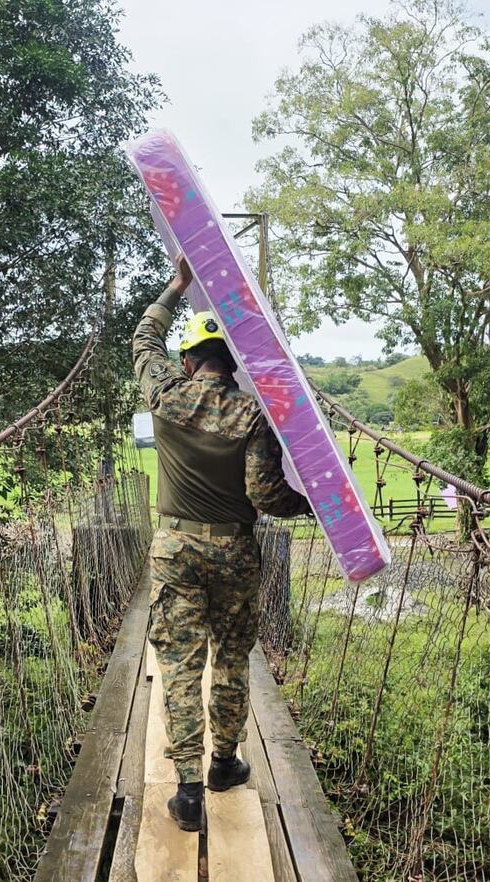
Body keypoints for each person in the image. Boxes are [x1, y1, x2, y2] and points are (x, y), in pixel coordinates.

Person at [132, 255, 311, 831]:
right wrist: (310, 506)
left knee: (179, 664)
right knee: (231, 660)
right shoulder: (253, 415)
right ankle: (224, 764)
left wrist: (178, 285)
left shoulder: (165, 396)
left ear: (189, 362)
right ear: (233, 367)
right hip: (235, 553)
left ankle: (186, 792)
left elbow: (143, 337)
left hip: (175, 549)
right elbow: (264, 495)